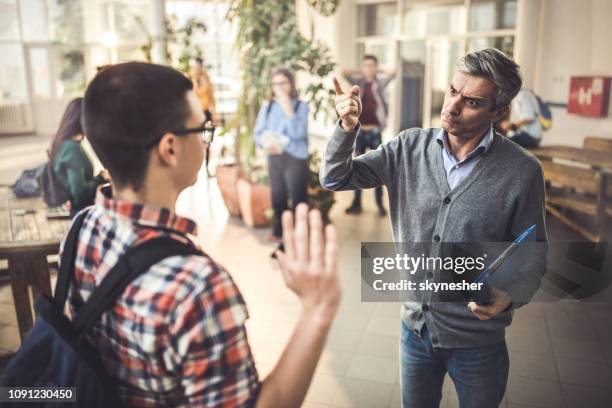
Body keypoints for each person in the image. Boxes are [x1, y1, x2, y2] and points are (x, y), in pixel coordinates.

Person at [75, 61, 340, 407]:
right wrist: (318, 308)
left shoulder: (83, 227)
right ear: (170, 148)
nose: (205, 139)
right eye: (201, 129)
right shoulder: (198, 290)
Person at [321, 48, 547, 408]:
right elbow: (335, 177)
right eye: (452, 91)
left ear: (499, 111)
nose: (452, 107)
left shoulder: (522, 171)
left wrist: (510, 294)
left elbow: (533, 252)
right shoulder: (409, 147)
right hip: (415, 330)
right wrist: (347, 128)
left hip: (478, 343)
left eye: (471, 101)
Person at [254, 68, 310, 243]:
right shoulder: (268, 106)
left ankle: (301, 233)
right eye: (275, 83)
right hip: (275, 156)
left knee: (298, 197)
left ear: (291, 84)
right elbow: (258, 133)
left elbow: (299, 133)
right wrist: (265, 144)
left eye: (282, 83)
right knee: (278, 196)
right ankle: (280, 231)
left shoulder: (301, 106)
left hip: (296, 157)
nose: (278, 87)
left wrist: (288, 110)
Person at [342, 55, 395, 216]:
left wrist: (375, 72)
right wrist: (363, 71)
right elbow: (344, 72)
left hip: (374, 132)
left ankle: (379, 205)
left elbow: (393, 71)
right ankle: (356, 203)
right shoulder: (358, 83)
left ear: (376, 66)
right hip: (359, 132)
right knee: (356, 168)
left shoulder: (380, 83)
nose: (368, 68)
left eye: (372, 65)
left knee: (378, 169)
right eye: (366, 65)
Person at [48, 97, 109, 216]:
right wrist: (101, 178)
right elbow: (79, 194)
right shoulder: (72, 149)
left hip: (76, 210)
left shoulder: (63, 143)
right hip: (81, 213)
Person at [189, 57, 216, 123]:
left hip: (206, 108)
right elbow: (191, 93)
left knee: (209, 126)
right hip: (194, 109)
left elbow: (210, 93)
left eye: (200, 66)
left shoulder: (206, 77)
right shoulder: (190, 77)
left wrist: (213, 108)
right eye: (196, 66)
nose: (198, 69)